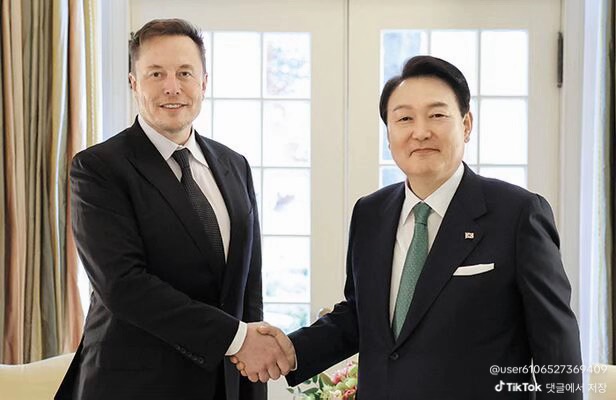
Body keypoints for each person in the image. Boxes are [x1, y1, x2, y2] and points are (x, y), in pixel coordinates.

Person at [238, 55, 583, 399]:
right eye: (404, 118)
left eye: (437, 115)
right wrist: (292, 350)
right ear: (389, 135)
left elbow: (557, 346)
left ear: (466, 125)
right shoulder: (370, 213)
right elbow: (360, 316)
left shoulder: (518, 214)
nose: (421, 132)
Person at [55, 18, 291, 400]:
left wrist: (252, 382)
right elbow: (124, 286)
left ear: (204, 83)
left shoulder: (235, 166)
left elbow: (249, 287)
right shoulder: (98, 168)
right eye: (156, 74)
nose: (172, 87)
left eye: (184, 73)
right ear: (133, 83)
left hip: (223, 385)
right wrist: (236, 339)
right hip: (133, 387)